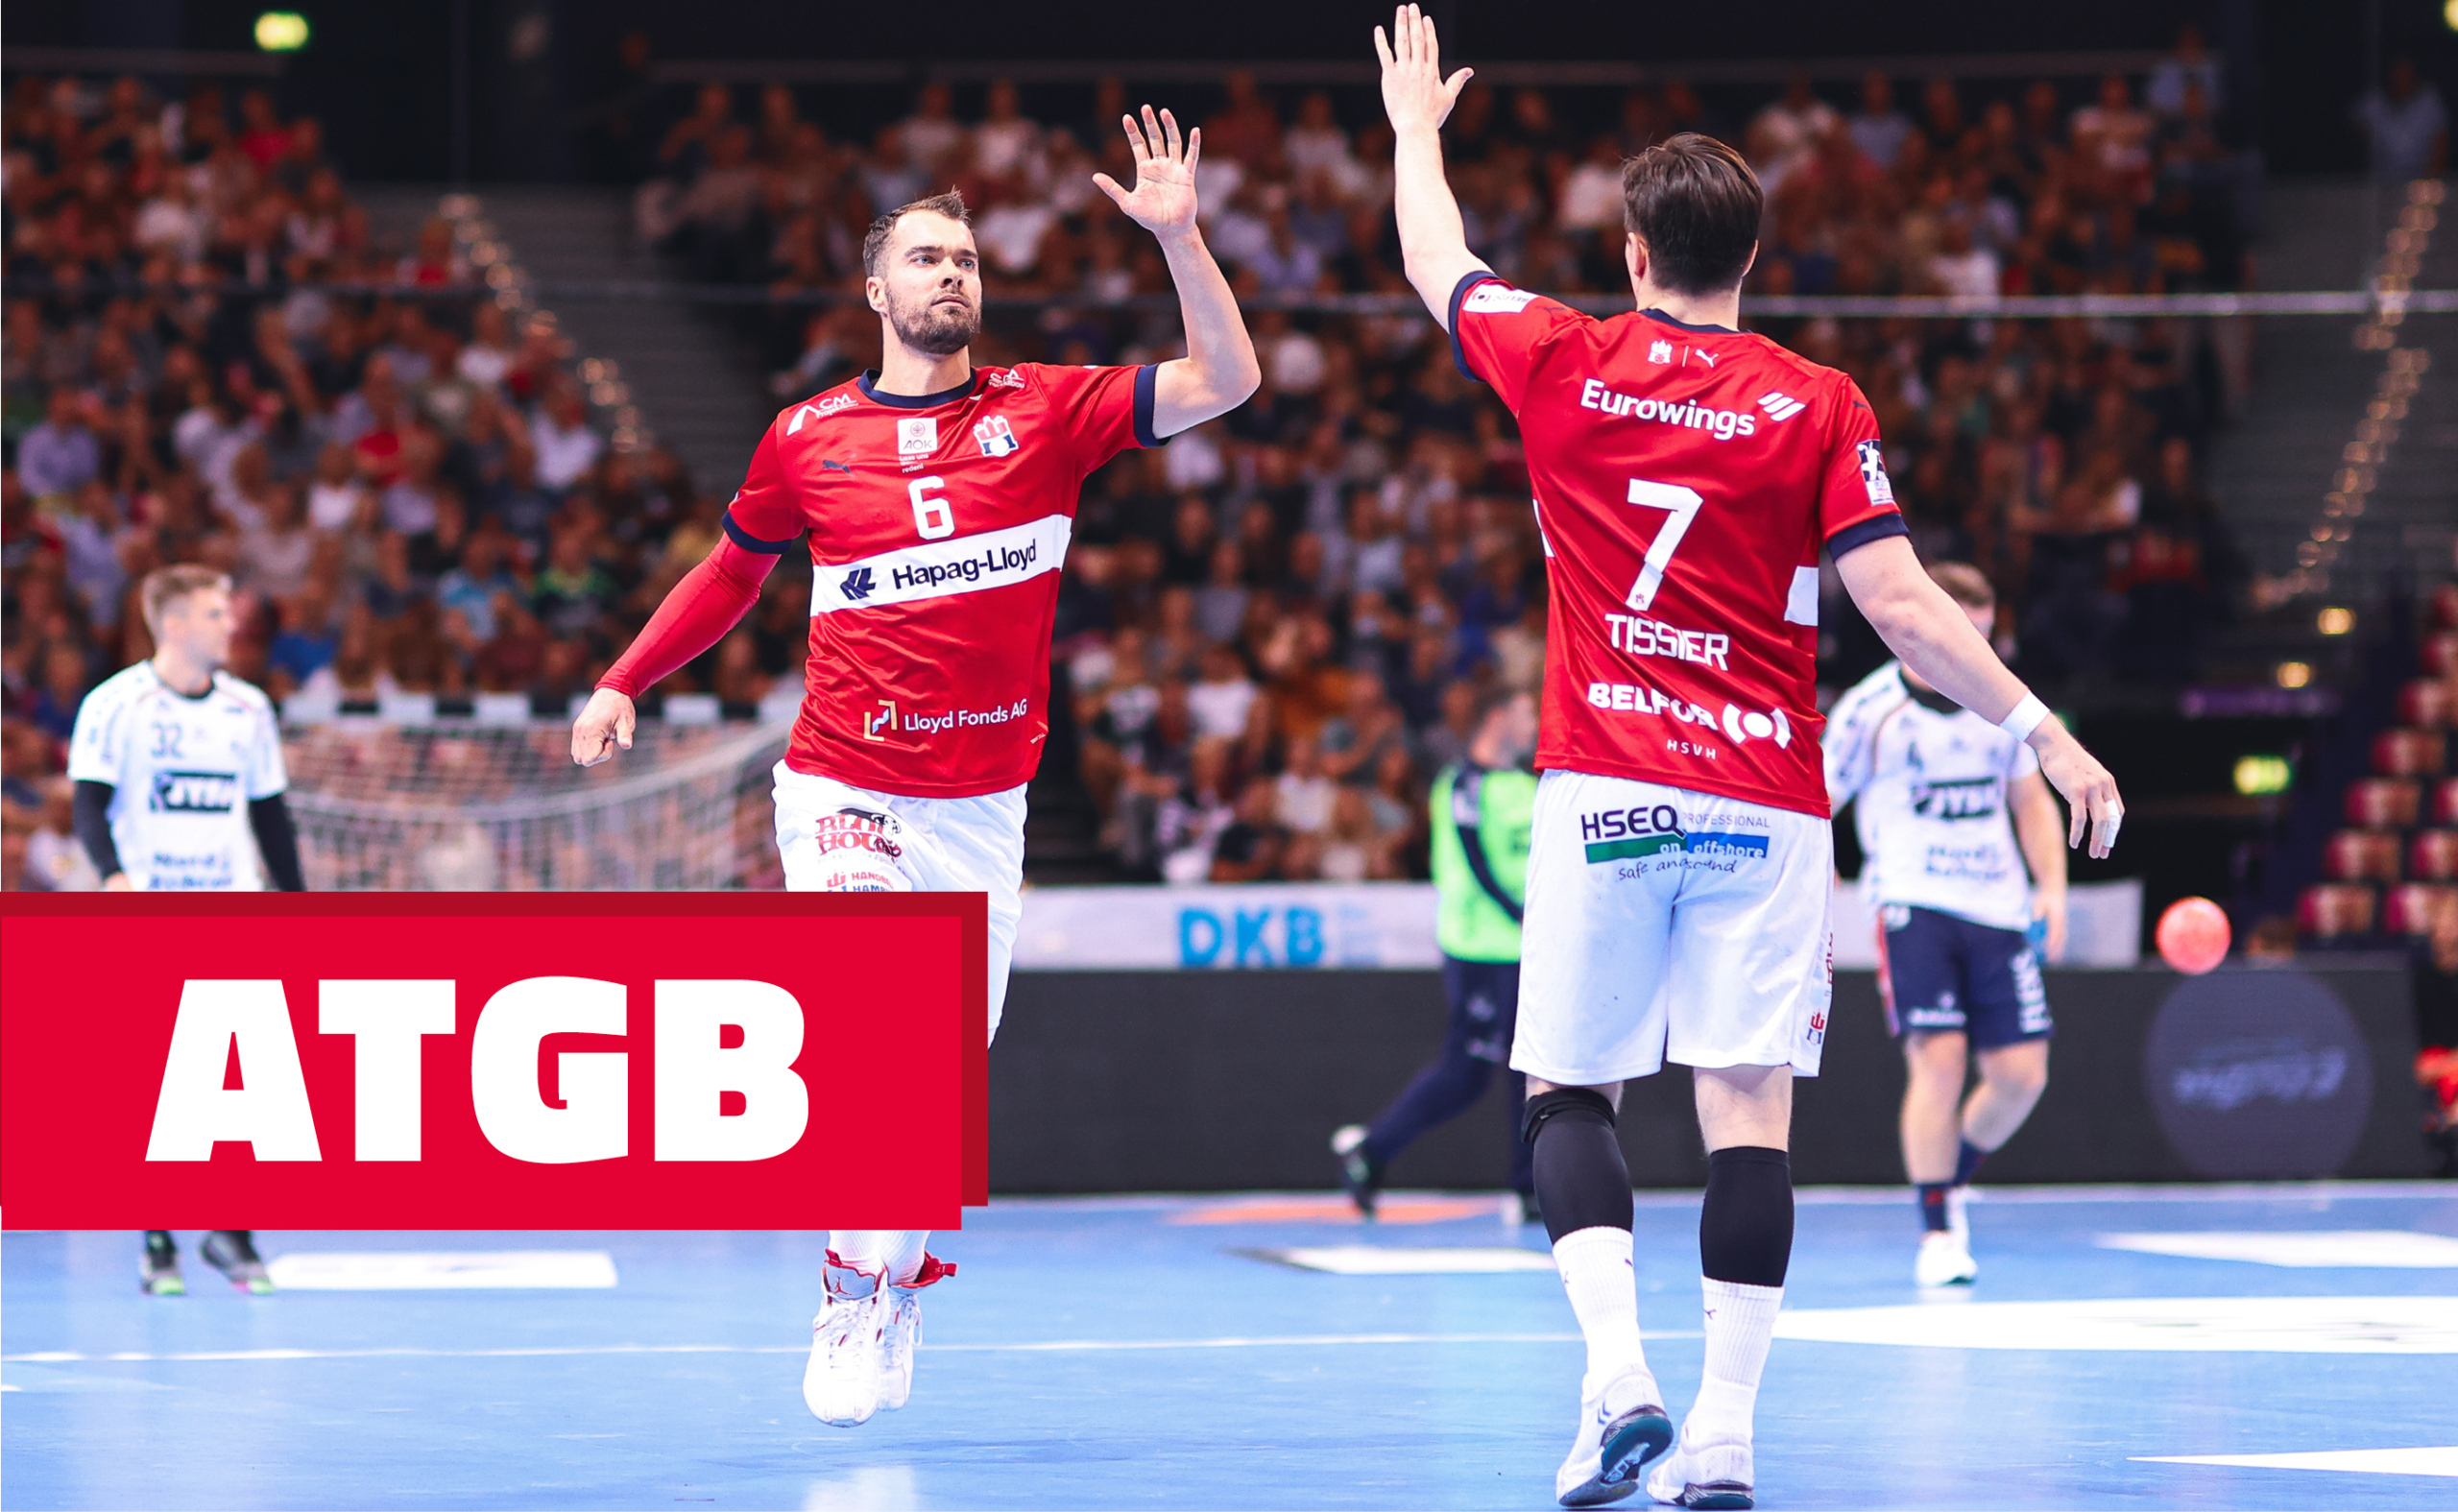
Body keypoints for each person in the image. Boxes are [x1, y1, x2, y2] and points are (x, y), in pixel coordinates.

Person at [1373, 12, 2123, 1508]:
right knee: (1747, 1115)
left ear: (1634, 254)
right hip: (1763, 804)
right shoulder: (1819, 400)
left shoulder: (1563, 356)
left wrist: (1413, 133)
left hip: (1603, 782)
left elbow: (1432, 255)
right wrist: (2043, 728)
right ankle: (1722, 1430)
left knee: (1567, 1093)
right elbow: (1903, 606)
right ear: (1754, 259)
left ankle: (1618, 1380)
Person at [570, 108, 1258, 1429]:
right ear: (877, 291)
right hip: (843, 785)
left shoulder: (1047, 410)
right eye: (927, 257)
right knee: (882, 1034)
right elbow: (731, 573)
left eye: (967, 259)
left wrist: (1180, 241)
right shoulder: (807, 435)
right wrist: (623, 677)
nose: (953, 273)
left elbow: (1224, 379)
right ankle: (847, 1288)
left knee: (930, 1098)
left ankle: (890, 1280)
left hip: (981, 811)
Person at [1822, 563, 2067, 1287]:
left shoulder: (2004, 702)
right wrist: (1817, 868)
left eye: (1984, 638)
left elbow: (2030, 800)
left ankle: (1949, 1176)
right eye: (1962, 635)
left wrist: (2052, 888)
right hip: (1912, 900)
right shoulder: (1869, 711)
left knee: (2021, 1076)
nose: (1974, 652)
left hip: (1997, 903)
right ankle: (1936, 1230)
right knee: (1940, 1059)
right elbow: (1815, 797)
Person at [64, 564, 301, 1299]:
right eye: (215, 613)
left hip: (232, 906)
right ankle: (157, 1236)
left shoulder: (248, 708)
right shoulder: (116, 704)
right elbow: (88, 804)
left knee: (243, 1072)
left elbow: (270, 813)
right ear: (173, 624)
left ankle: (232, 1230)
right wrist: (112, 876)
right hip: (150, 908)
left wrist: (299, 903)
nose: (231, 624)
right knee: (159, 1080)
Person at [1334, 684, 1539, 1219]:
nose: (1533, 724)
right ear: (1496, 717)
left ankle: (1527, 1187)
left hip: (1525, 949)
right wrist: (1522, 914)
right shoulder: (1462, 785)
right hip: (1479, 948)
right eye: (1524, 714)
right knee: (1467, 1072)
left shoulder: (1527, 785)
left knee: (1528, 1068)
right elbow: (1476, 860)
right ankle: (1371, 1151)